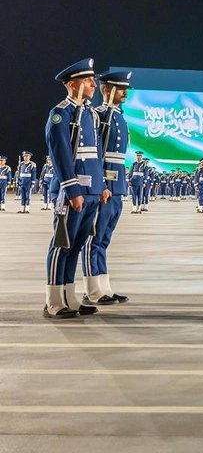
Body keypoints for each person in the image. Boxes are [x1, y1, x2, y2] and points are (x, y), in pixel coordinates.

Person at [43, 58, 105, 319]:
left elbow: (96, 154)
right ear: (72, 84)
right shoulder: (61, 113)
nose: (93, 84)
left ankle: (71, 297)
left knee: (77, 245)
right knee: (62, 245)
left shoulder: (90, 114)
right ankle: (54, 301)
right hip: (73, 193)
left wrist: (100, 186)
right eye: (87, 80)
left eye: (92, 79)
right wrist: (71, 190)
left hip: (91, 193)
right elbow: (60, 155)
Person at [83, 70, 133, 305]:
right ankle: (92, 289)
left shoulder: (119, 116)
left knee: (105, 237)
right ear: (107, 90)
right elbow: (96, 155)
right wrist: (101, 184)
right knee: (94, 236)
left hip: (118, 184)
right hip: (104, 185)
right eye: (121, 89)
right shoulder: (98, 116)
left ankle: (104, 286)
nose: (125, 93)